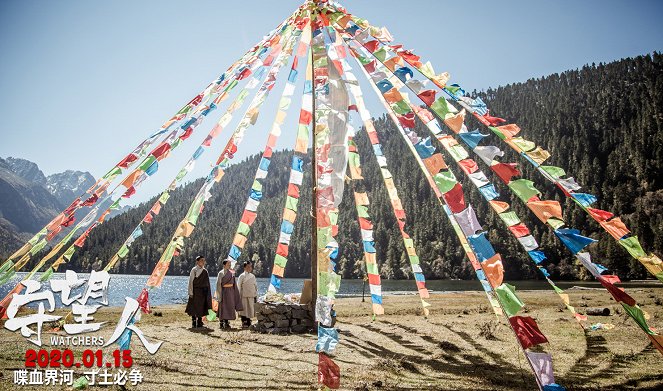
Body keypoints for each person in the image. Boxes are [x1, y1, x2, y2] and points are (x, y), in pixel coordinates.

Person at [185, 255, 212, 329]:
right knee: (194, 306)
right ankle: (194, 321)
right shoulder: (194, 270)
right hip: (195, 291)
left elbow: (207, 283)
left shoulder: (205, 271)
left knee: (202, 306)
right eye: (202, 260)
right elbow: (191, 281)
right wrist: (190, 292)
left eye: (204, 261)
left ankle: (200, 321)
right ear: (197, 262)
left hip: (203, 292)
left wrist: (207, 292)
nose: (203, 262)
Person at [215, 259, 243, 329]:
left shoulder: (232, 273)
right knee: (223, 307)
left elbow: (234, 284)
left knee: (229, 307)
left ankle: (227, 322)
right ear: (224, 265)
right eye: (228, 264)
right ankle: (221, 323)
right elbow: (218, 284)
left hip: (230, 293)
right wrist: (219, 295)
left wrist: (235, 293)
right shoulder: (221, 273)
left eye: (230, 264)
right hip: (224, 292)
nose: (230, 266)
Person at [237, 261, 258, 328]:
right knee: (244, 309)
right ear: (244, 267)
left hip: (251, 295)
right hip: (243, 295)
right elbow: (239, 286)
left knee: (250, 309)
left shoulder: (253, 276)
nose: (250, 268)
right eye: (248, 267)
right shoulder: (241, 276)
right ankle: (244, 321)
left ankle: (249, 320)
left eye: (250, 267)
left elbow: (255, 286)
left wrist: (255, 294)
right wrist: (238, 296)